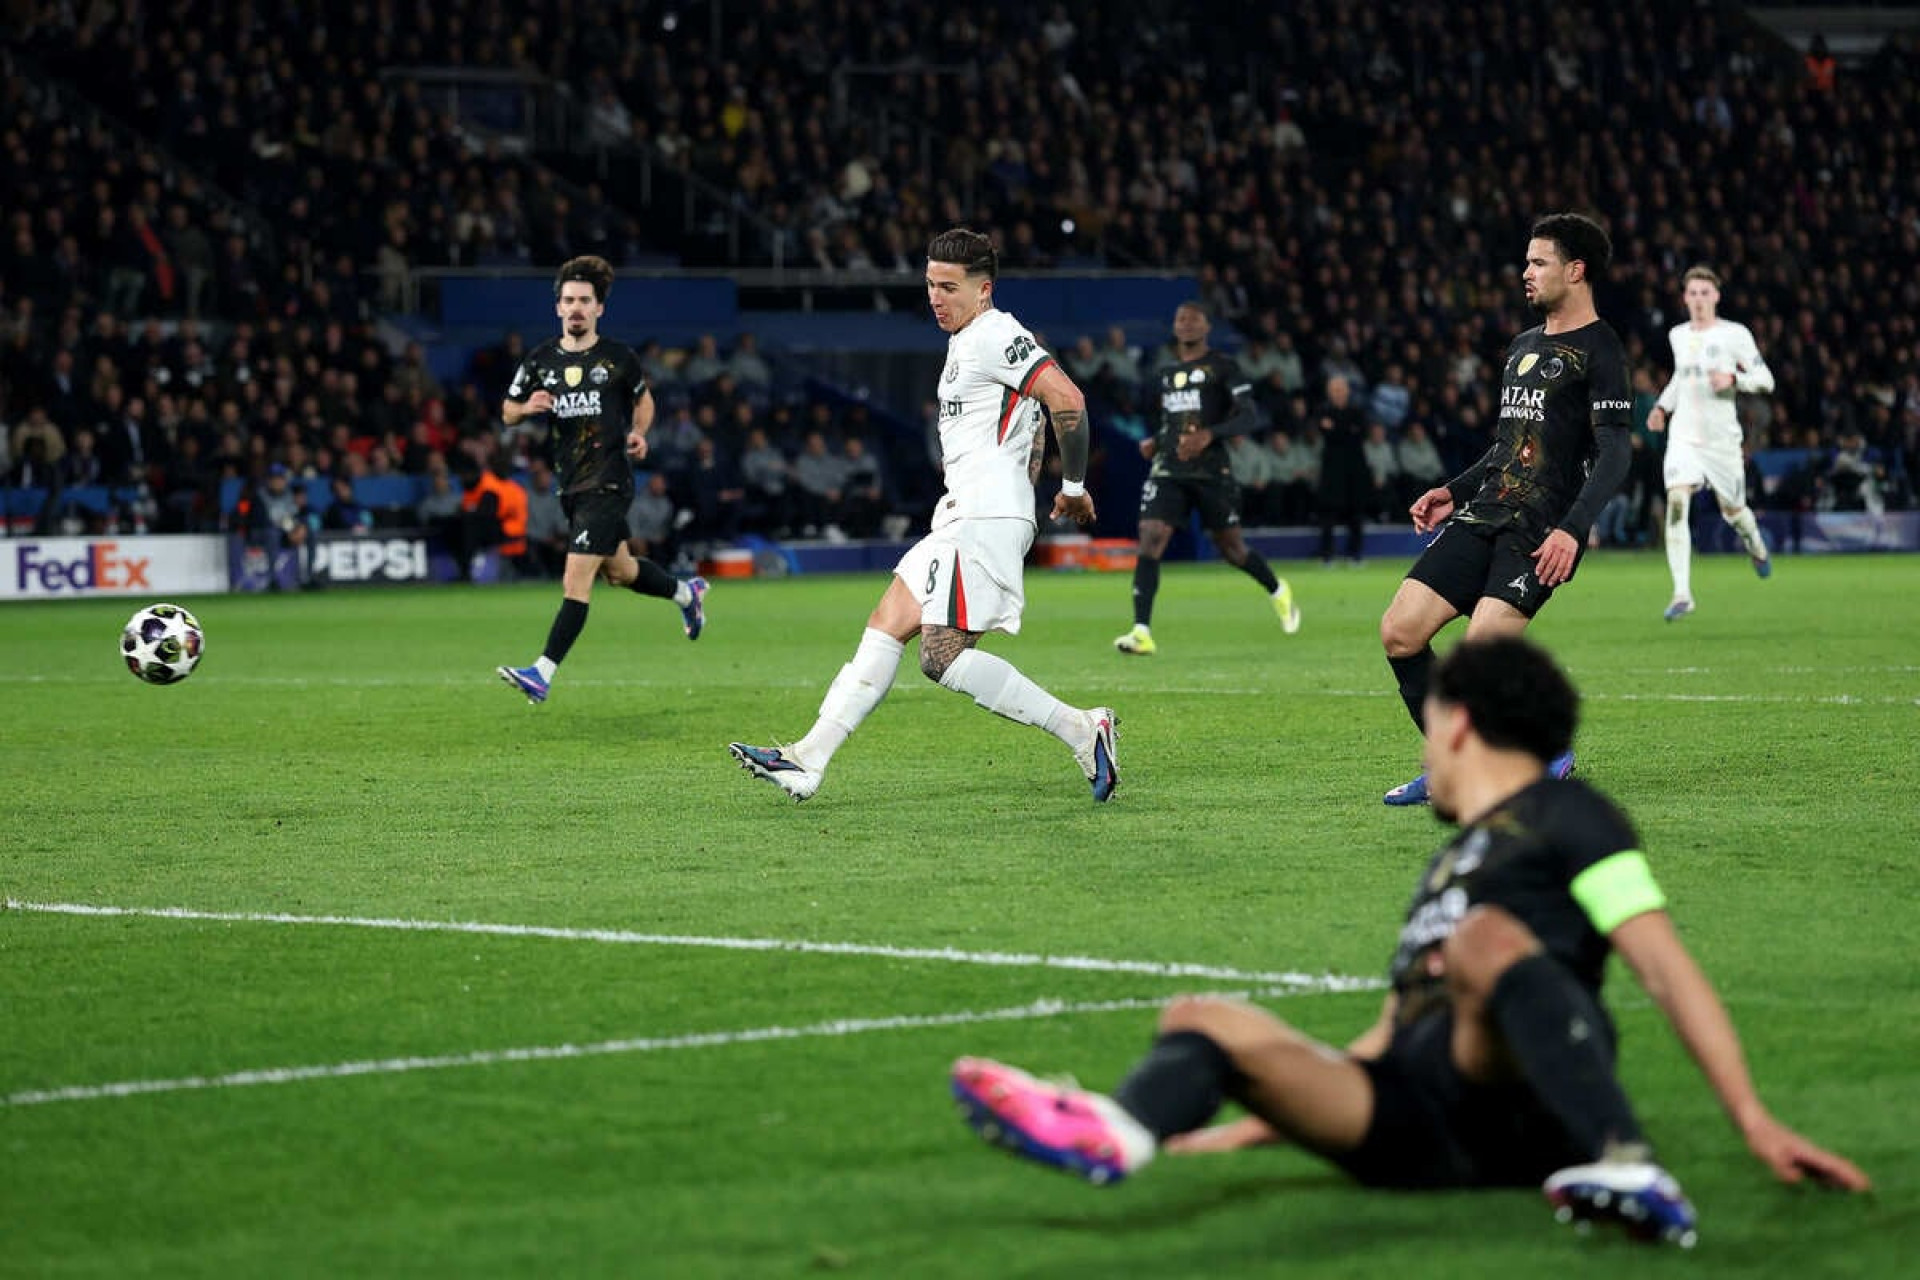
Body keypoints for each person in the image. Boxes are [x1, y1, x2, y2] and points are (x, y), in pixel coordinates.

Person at [951, 637, 1870, 1245]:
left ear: (1461, 722)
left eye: (1430, 724)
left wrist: (1752, 1119)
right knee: (1205, 1018)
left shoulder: (1569, 815)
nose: (1424, 744)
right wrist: (1248, 1130)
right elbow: (1385, 1042)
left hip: (1522, 1113)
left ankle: (1625, 1163)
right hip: (1411, 1121)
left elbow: (1663, 969)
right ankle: (1122, 1130)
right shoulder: (1448, 864)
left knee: (1480, 942)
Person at [728, 228, 1119, 803]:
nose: (936, 297)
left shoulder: (995, 333)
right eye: (931, 285)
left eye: (950, 287)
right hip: (962, 512)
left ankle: (1083, 729)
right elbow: (1026, 421)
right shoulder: (965, 341)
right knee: (888, 620)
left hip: (984, 518)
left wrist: (1074, 485)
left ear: (983, 290)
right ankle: (807, 759)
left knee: (941, 659)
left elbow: (1067, 399)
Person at [1379, 214, 1631, 806]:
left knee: (1479, 659)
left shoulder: (1601, 349)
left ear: (1576, 270)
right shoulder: (1522, 347)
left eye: (1539, 262)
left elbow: (1617, 451)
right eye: (1527, 261)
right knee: (1400, 633)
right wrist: (1454, 491)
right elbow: (1509, 445)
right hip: (1484, 512)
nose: (1526, 272)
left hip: (1540, 529)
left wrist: (1574, 527)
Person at [495, 255, 708, 704]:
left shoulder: (617, 359)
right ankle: (687, 594)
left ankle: (542, 672)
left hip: (608, 483)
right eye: (569, 300)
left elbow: (645, 403)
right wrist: (526, 408)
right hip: (570, 485)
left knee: (576, 582)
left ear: (598, 309)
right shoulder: (541, 360)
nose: (576, 308)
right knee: (622, 572)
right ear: (558, 307)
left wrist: (638, 433)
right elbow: (507, 411)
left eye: (584, 301)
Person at [1114, 301, 1300, 656]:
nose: (1185, 324)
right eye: (1180, 318)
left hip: (1212, 472)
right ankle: (1141, 631)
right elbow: (1175, 421)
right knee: (1151, 537)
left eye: (1193, 319)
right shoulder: (1167, 374)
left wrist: (1210, 435)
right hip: (1170, 469)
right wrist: (1157, 441)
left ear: (1206, 326)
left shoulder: (1224, 367)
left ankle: (1279, 591)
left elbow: (1249, 415)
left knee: (1232, 549)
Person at [1646, 266, 1776, 621]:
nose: (1700, 300)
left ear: (1716, 296)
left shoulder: (1735, 335)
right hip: (1684, 437)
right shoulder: (1678, 335)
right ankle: (1682, 592)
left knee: (1734, 512)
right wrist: (1661, 406)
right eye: (1694, 293)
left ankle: (1757, 547)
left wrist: (1734, 377)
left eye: (1706, 293)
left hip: (1721, 442)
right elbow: (1680, 378)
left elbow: (1765, 379)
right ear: (1685, 298)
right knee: (1676, 500)